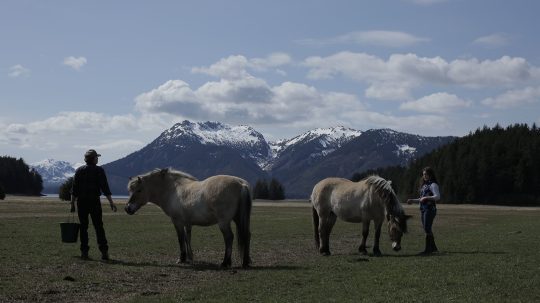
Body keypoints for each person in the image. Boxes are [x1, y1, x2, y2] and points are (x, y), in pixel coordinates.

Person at [70, 149, 117, 260]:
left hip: (81, 203)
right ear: (94, 159)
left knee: (83, 227)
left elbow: (74, 189)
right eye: (97, 157)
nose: (97, 159)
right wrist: (111, 202)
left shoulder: (79, 171)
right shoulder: (99, 170)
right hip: (94, 202)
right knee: (99, 227)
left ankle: (84, 252)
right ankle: (104, 252)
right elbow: (105, 188)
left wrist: (72, 204)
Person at [407, 166, 440, 255]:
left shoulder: (433, 185)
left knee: (427, 228)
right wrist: (413, 200)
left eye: (426, 174)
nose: (424, 176)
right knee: (427, 228)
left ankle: (428, 249)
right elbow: (421, 199)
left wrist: (426, 197)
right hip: (423, 209)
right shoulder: (424, 185)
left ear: (430, 174)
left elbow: (437, 197)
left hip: (430, 209)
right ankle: (433, 248)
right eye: (423, 174)